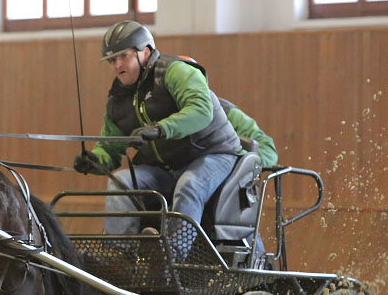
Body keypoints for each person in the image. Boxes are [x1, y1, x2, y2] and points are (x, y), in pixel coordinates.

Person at [73, 20, 269, 239]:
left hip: (213, 154)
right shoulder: (118, 100)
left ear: (145, 52)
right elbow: (111, 147)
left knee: (189, 185)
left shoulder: (176, 71)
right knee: (121, 183)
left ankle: (172, 257)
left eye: (124, 56)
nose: (117, 65)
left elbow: (201, 110)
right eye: (112, 60)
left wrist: (160, 129)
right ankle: (121, 257)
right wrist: (95, 160)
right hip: (165, 169)